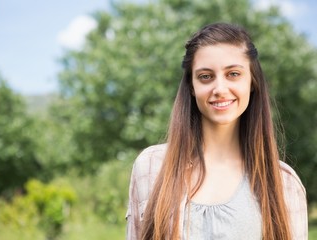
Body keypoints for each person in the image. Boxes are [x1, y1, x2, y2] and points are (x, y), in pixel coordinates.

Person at [125, 23, 307, 240]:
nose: (220, 89)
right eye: (205, 76)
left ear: (252, 82)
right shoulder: (151, 167)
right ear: (192, 87)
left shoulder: (283, 182)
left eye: (233, 74)